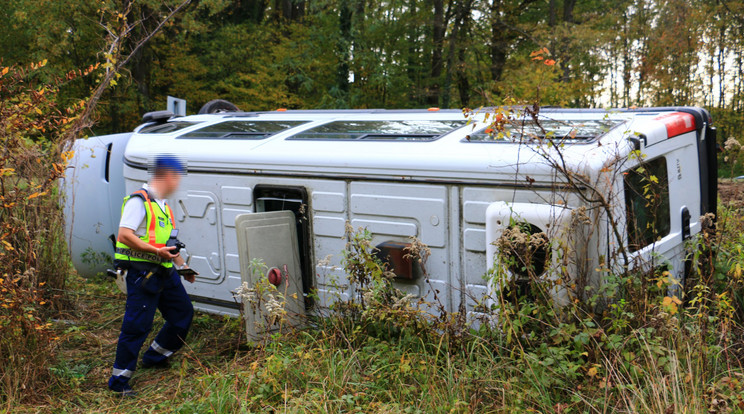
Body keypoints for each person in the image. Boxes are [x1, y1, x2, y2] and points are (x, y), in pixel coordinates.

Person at [108, 154, 197, 397]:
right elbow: (125, 235)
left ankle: (155, 357)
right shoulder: (139, 201)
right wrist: (156, 251)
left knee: (182, 314)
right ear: (165, 176)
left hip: (166, 272)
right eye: (176, 177)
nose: (178, 183)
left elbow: (169, 243)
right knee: (137, 326)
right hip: (142, 275)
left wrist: (182, 267)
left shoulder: (165, 205)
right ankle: (119, 382)